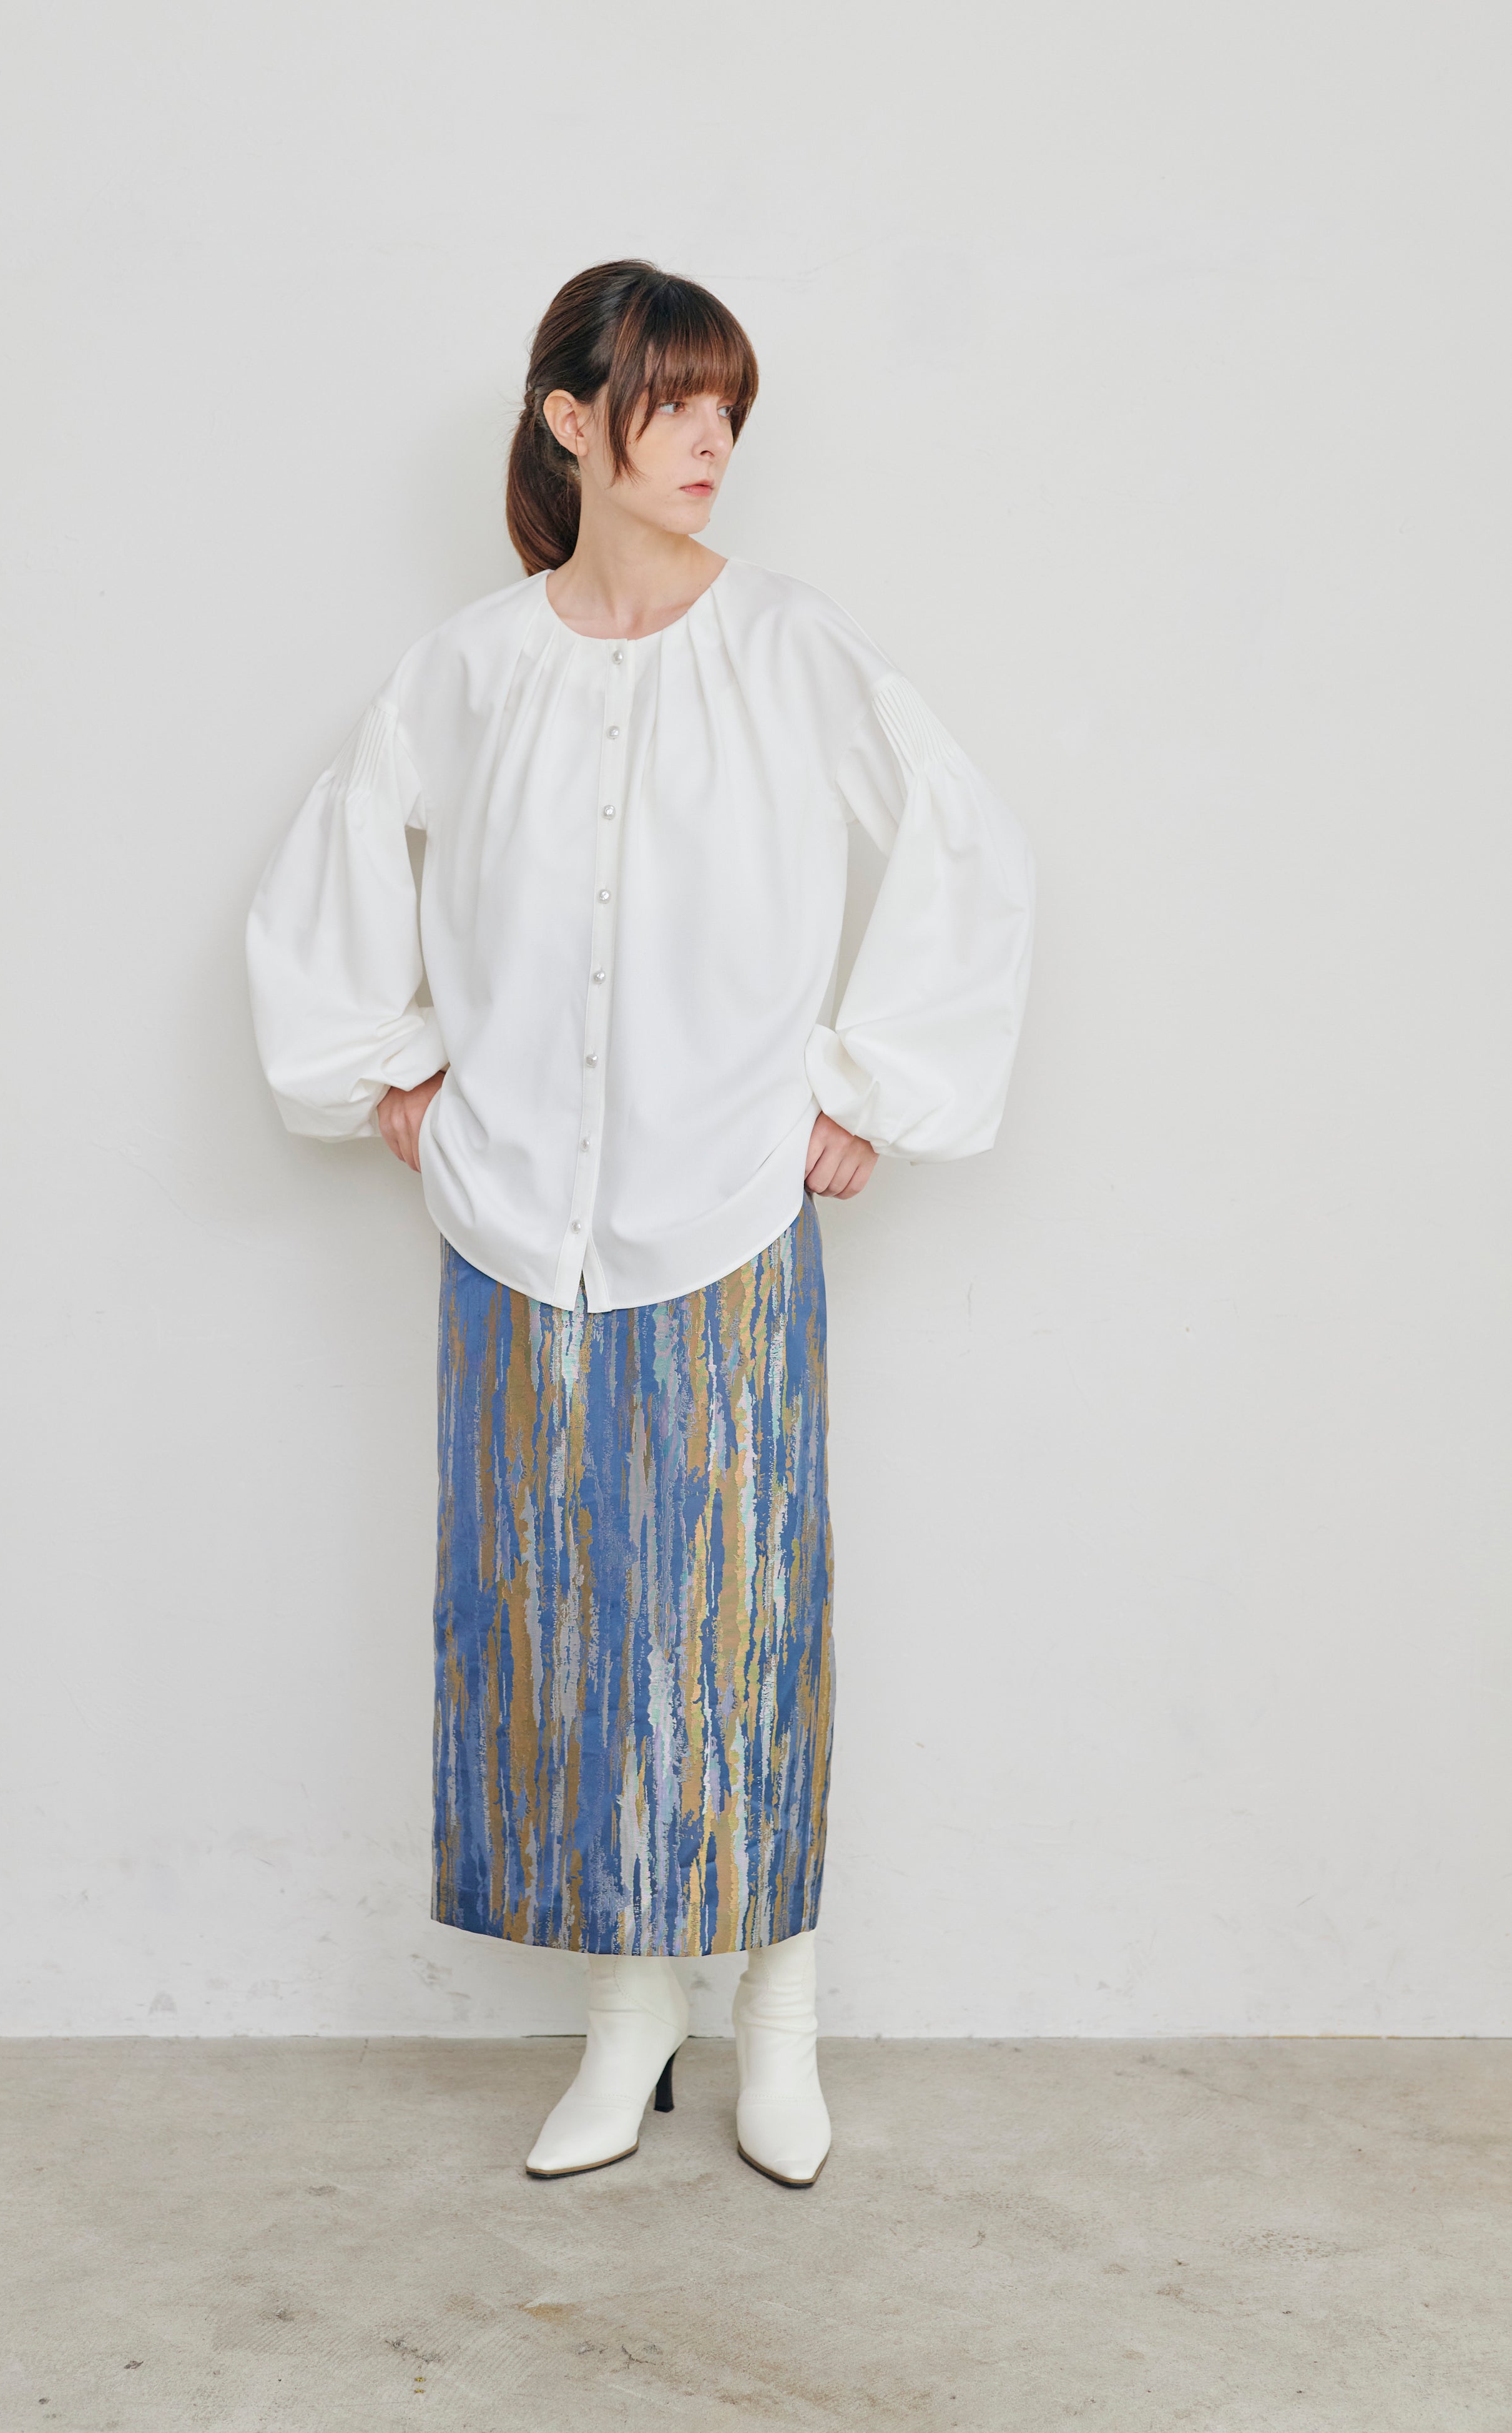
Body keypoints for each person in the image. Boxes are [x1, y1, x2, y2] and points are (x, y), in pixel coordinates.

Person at [245, 259, 1035, 2187]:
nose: (708, 441)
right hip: (520, 1224)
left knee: (745, 1612)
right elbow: (334, 870)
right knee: (563, 1620)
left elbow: (964, 843)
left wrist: (865, 1083)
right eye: (673, 402)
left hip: (722, 1210)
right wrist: (388, 1076)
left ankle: (778, 2014)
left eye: (725, 410)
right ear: (568, 417)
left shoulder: (788, 646)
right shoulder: (466, 670)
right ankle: (628, 2019)